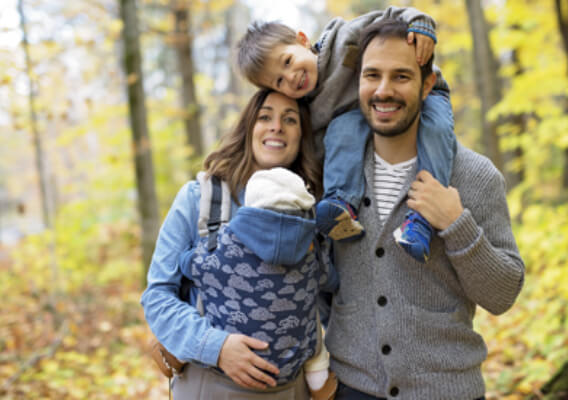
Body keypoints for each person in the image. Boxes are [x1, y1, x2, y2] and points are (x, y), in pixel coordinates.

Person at [320, 18, 525, 400]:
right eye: (372, 75)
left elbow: (503, 295)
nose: (383, 91)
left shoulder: (475, 175)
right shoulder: (333, 175)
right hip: (350, 389)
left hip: (448, 390)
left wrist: (455, 224)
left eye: (401, 76)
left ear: (428, 85)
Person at [141, 89, 339, 400]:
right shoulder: (200, 198)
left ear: (302, 137)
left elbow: (327, 294)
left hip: (292, 389)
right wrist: (215, 347)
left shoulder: (314, 210)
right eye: (265, 117)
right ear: (248, 128)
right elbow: (157, 295)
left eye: (290, 120)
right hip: (210, 383)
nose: (276, 126)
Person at [236, 6, 456, 263]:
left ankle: (422, 219)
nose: (291, 77)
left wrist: (419, 25)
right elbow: (320, 148)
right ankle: (341, 203)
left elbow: (390, 16)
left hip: (420, 96)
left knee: (435, 131)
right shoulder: (311, 108)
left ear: (303, 40)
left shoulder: (344, 39)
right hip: (368, 115)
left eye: (287, 62)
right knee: (341, 129)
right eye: (279, 82)